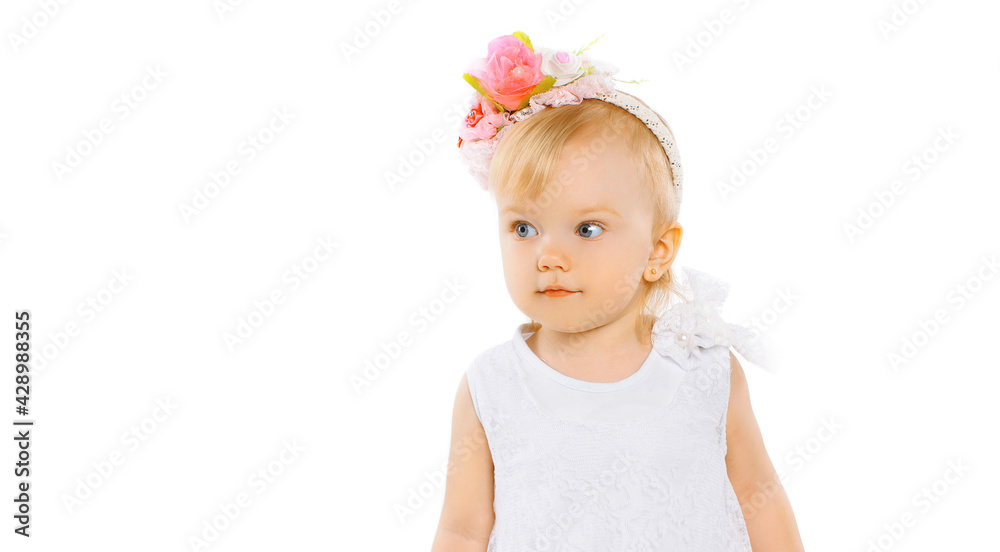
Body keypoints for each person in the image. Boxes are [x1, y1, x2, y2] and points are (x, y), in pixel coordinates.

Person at [432, 31, 804, 551]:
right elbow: (462, 528)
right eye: (524, 228)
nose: (549, 256)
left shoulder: (703, 369)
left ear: (657, 251)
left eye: (587, 229)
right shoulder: (492, 384)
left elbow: (759, 498)